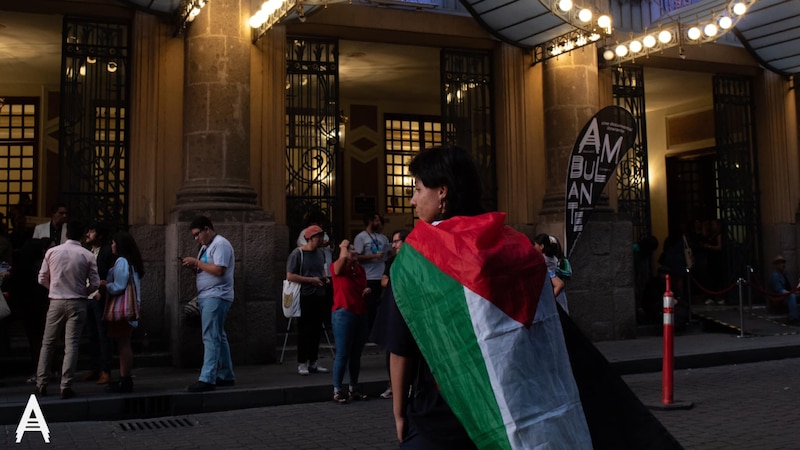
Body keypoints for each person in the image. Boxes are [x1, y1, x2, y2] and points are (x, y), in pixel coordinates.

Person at [384, 146, 591, 448]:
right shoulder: (516, 247)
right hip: (516, 404)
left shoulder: (416, 260)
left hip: (443, 410)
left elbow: (401, 347)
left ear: (442, 192)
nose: (413, 200)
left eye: (417, 189)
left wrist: (399, 412)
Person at [35, 220, 100, 399]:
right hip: (78, 302)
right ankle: (66, 385)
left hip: (56, 301)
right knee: (71, 344)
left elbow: (41, 278)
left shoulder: (52, 252)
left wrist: (53, 289)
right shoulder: (87, 255)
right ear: (82, 234)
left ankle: (41, 383)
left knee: (48, 343)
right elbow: (95, 283)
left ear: (66, 234)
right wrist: (83, 291)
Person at [180, 216, 236, 392]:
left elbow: (219, 270)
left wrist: (197, 262)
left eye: (197, 234)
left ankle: (207, 378)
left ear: (207, 229)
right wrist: (195, 266)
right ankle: (226, 374)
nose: (196, 238)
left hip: (217, 295)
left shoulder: (220, 244)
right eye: (194, 236)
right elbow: (207, 269)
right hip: (208, 295)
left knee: (210, 337)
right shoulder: (206, 247)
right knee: (218, 336)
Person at [101, 231, 144, 393]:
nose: (112, 245)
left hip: (121, 309)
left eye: (113, 243)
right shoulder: (131, 262)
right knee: (124, 343)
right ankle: (124, 377)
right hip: (129, 307)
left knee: (123, 344)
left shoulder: (121, 261)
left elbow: (119, 285)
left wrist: (106, 285)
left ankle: (125, 379)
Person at [329, 239, 371, 403]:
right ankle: (337, 389)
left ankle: (353, 387)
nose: (354, 252)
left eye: (353, 249)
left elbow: (361, 287)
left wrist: (366, 290)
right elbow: (339, 266)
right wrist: (343, 247)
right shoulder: (337, 267)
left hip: (360, 312)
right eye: (351, 249)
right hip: (343, 312)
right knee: (343, 353)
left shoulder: (359, 269)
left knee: (356, 354)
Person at [286, 225, 330, 376]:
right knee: (304, 330)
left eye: (322, 236)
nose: (321, 240)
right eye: (318, 237)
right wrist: (310, 280)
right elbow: (290, 275)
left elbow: (322, 269)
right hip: (304, 295)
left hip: (319, 294)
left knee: (317, 330)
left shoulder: (321, 253)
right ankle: (302, 362)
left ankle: (313, 361)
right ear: (310, 238)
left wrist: (325, 279)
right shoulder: (297, 254)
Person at [374, 228, 409, 400]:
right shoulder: (392, 261)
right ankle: (392, 385)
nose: (394, 245)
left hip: (408, 309)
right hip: (392, 306)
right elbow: (384, 281)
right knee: (392, 349)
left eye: (397, 241)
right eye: (393, 241)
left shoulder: (413, 260)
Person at [82, 222, 116, 385]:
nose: (88, 234)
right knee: (91, 335)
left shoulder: (107, 252)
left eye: (92, 231)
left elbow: (110, 274)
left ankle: (105, 370)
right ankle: (94, 367)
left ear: (100, 235)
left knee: (103, 335)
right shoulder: (87, 251)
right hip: (87, 297)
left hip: (99, 297)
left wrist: (101, 292)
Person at [354, 213, 389, 334]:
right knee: (370, 306)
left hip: (382, 275)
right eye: (377, 220)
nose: (379, 223)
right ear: (370, 221)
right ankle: (369, 331)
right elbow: (357, 257)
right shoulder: (361, 237)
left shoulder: (383, 237)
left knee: (381, 305)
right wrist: (373, 256)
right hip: (369, 276)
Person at [533, 233, 569, 313]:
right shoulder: (553, 257)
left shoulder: (543, 259)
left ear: (541, 246)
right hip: (556, 291)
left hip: (553, 290)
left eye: (535, 245)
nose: (533, 248)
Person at [769, 255, 799, 325]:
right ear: (776, 265)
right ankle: (793, 318)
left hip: (787, 295)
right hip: (780, 298)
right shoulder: (775, 276)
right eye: (780, 263)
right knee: (791, 296)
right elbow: (779, 290)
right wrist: (791, 293)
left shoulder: (785, 273)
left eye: (783, 262)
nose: (783, 264)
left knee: (794, 295)